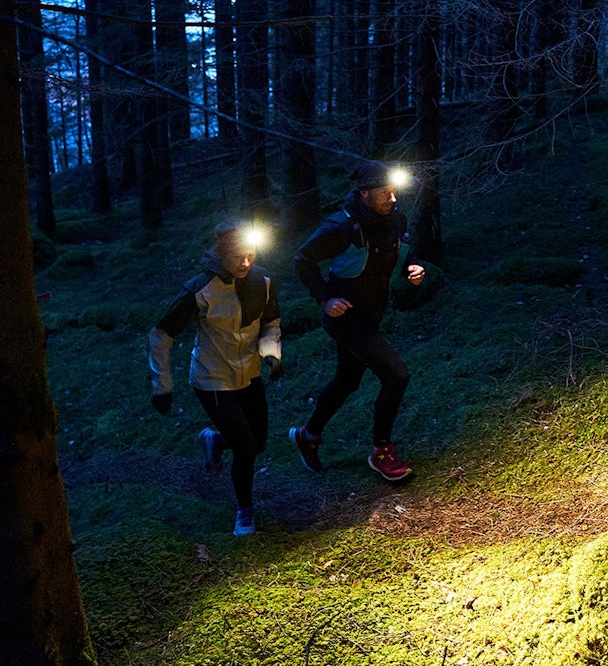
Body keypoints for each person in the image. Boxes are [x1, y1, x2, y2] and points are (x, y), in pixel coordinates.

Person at [289, 160, 426, 482]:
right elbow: (303, 259)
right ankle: (382, 451)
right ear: (365, 194)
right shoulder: (341, 227)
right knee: (397, 376)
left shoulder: (395, 219)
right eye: (384, 193)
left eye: (394, 192)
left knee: (348, 380)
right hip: (345, 316)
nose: (392, 199)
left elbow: (405, 249)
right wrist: (325, 299)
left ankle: (307, 435)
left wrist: (413, 268)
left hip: (373, 313)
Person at [148, 219, 282, 536]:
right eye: (237, 256)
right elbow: (161, 334)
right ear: (221, 253)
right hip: (213, 380)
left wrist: (271, 355)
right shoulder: (200, 289)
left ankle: (213, 440)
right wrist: (162, 385)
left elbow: (271, 323)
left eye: (250, 255)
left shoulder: (262, 281)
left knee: (257, 442)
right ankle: (245, 511)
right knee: (246, 449)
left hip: (249, 375)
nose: (245, 263)